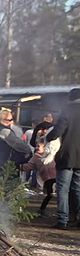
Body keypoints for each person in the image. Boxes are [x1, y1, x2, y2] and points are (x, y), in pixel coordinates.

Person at [45, 88, 80, 229]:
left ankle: (62, 220)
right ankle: (78, 218)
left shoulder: (67, 111)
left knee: (62, 189)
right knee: (77, 189)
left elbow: (57, 132)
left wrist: (47, 137)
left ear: (70, 98)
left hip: (66, 156)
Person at [21, 136, 60, 218]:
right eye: (37, 146)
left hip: (57, 176)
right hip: (47, 178)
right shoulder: (36, 157)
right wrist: (19, 166)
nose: (37, 148)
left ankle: (61, 211)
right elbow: (29, 166)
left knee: (59, 194)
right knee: (50, 194)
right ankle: (42, 209)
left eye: (40, 146)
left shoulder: (52, 154)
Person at [0, 109, 32, 176]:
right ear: (2, 120)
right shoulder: (5, 131)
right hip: (7, 165)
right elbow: (17, 144)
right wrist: (28, 150)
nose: (12, 122)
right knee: (10, 184)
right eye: (10, 120)